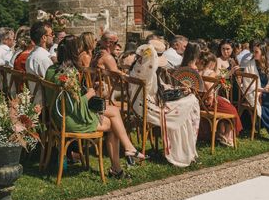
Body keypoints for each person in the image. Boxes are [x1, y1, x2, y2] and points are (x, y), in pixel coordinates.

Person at [45, 36, 145, 179]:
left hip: (57, 116)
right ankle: (119, 165)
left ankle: (127, 151)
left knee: (114, 113)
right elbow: (75, 105)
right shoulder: (69, 74)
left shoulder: (52, 69)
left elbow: (67, 100)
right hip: (71, 119)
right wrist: (90, 94)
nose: (82, 52)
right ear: (74, 52)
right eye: (80, 49)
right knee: (113, 124)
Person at [129, 42, 201, 167]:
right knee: (189, 104)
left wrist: (176, 88)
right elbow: (155, 91)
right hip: (148, 108)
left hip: (138, 105)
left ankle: (185, 149)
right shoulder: (149, 73)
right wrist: (177, 90)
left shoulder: (139, 67)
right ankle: (182, 152)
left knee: (187, 103)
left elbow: (157, 87)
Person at [196, 50, 243, 146]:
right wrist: (211, 96)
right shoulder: (210, 72)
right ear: (212, 63)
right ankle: (226, 136)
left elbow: (220, 78)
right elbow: (208, 84)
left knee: (226, 102)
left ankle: (221, 133)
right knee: (232, 110)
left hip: (200, 102)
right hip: (210, 101)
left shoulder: (197, 72)